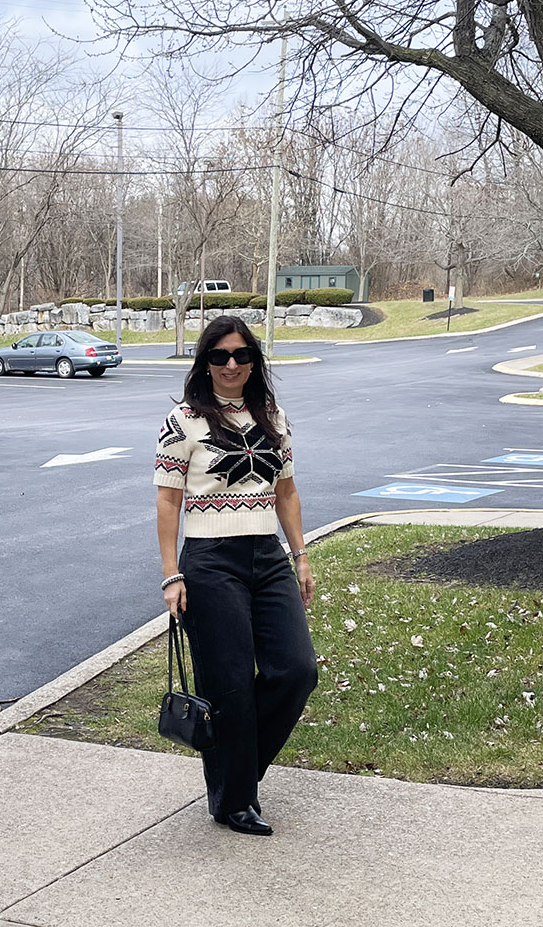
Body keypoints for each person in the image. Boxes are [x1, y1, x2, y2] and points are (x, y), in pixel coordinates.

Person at [154, 314, 317, 837]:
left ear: (254, 361)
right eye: (220, 355)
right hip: (210, 559)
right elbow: (168, 501)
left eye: (241, 355)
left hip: (267, 555)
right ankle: (235, 799)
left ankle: (234, 774)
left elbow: (286, 491)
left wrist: (300, 555)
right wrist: (171, 574)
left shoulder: (272, 416)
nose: (231, 364)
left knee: (296, 670)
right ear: (205, 362)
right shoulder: (184, 421)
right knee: (229, 686)